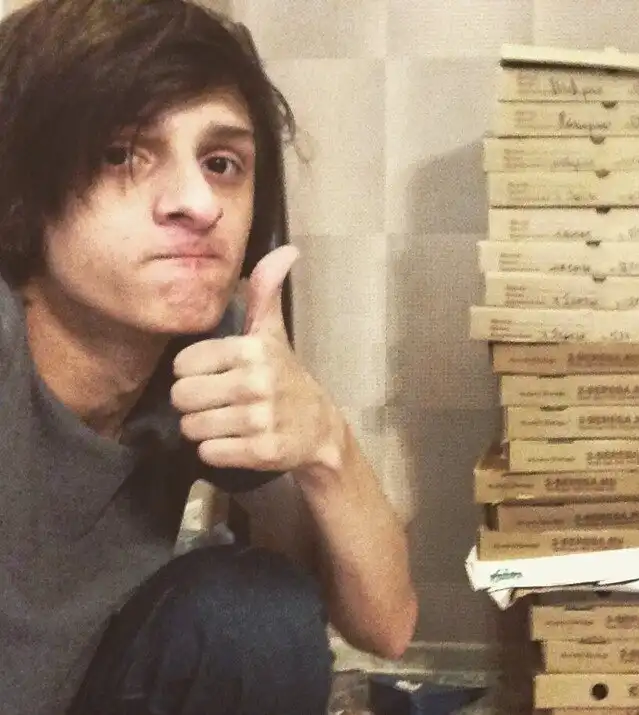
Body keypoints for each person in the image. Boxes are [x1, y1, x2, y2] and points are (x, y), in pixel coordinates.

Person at [0, 0, 418, 713]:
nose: (198, 204)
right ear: (24, 191)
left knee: (253, 614)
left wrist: (325, 442)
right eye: (122, 154)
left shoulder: (202, 353)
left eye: (222, 163)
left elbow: (385, 626)